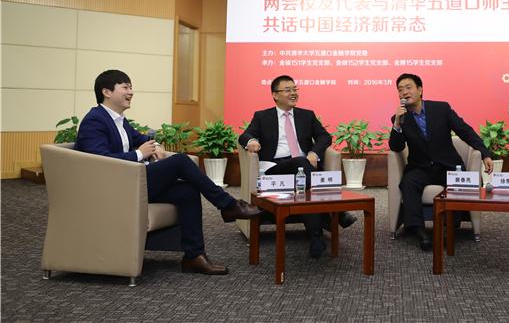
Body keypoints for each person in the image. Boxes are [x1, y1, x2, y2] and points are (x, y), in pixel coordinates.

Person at [75, 70, 260, 275]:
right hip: (115, 187)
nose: (131, 92)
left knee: (187, 190)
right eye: (125, 87)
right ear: (106, 92)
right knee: (180, 161)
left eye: (131, 87)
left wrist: (156, 146)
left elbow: (143, 139)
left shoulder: (119, 120)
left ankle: (193, 256)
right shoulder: (95, 120)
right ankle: (228, 205)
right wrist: (139, 154)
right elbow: (100, 160)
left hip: (132, 181)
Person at [238, 75, 356, 259]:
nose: (293, 93)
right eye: (288, 90)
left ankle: (316, 237)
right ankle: (337, 211)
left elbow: (325, 136)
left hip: (304, 167)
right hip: (276, 167)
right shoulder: (262, 116)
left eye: (295, 89)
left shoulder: (306, 115)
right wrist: (251, 141)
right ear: (275, 95)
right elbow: (245, 135)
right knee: (302, 165)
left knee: (303, 181)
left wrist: (314, 153)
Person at [389, 73, 494, 251]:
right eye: (400, 90)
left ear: (420, 90)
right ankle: (419, 231)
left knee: (458, 183)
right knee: (408, 183)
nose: (404, 92)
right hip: (420, 167)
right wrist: (397, 124)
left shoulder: (441, 109)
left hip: (447, 165)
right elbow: (396, 147)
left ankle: (449, 228)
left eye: (408, 87)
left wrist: (485, 154)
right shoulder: (399, 118)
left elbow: (465, 131)